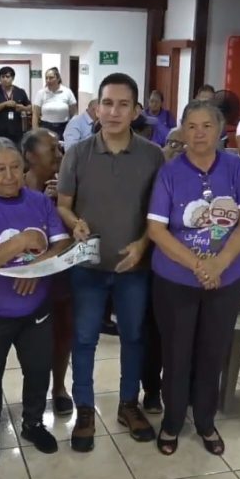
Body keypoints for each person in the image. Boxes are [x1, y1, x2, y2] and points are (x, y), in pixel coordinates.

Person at [57, 73, 165, 452]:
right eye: (107, 103)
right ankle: (85, 409)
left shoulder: (153, 155)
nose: (114, 112)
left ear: (136, 111)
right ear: (95, 108)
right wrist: (75, 223)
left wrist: (142, 244)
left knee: (133, 337)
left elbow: (160, 213)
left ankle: (128, 404)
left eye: (123, 105)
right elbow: (63, 206)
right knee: (84, 338)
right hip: (87, 267)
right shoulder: (77, 153)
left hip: (133, 267)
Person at [146, 100, 240, 456]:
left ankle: (206, 421)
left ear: (220, 130)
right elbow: (156, 229)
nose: (198, 133)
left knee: (213, 352)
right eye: (191, 126)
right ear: (182, 130)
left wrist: (219, 264)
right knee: (176, 353)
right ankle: (173, 421)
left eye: (206, 126)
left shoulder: (235, 167)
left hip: (226, 278)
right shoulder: (169, 171)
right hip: (176, 278)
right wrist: (199, 265)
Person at [0, 137, 70, 461]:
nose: (9, 176)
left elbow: (62, 244)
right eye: (0, 169)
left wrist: (37, 267)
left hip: (36, 309)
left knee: (38, 371)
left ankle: (33, 423)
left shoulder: (39, 201)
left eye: (15, 168)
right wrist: (23, 241)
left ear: (24, 168)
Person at [22, 127, 75, 414]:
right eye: (51, 149)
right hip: (23, 280)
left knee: (63, 334)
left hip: (60, 276)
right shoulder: (14, 188)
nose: (58, 154)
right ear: (30, 156)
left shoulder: (66, 188)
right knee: (29, 342)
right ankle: (33, 392)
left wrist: (61, 203)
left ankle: (59, 387)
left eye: (59, 148)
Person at [0, 67, 32, 146]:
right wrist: (4, 104)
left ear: (13, 78)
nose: (5, 79)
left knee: (17, 151)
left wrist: (23, 108)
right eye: (2, 77)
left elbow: (30, 107)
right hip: (1, 132)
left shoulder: (20, 91)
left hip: (17, 131)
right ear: (0, 78)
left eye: (7, 77)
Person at [32, 67, 78, 137]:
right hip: (46, 127)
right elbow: (35, 114)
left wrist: (74, 129)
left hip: (64, 127)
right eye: (46, 78)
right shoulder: (41, 93)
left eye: (51, 78)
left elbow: (74, 114)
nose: (48, 80)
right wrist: (35, 131)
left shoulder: (67, 92)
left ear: (58, 78)